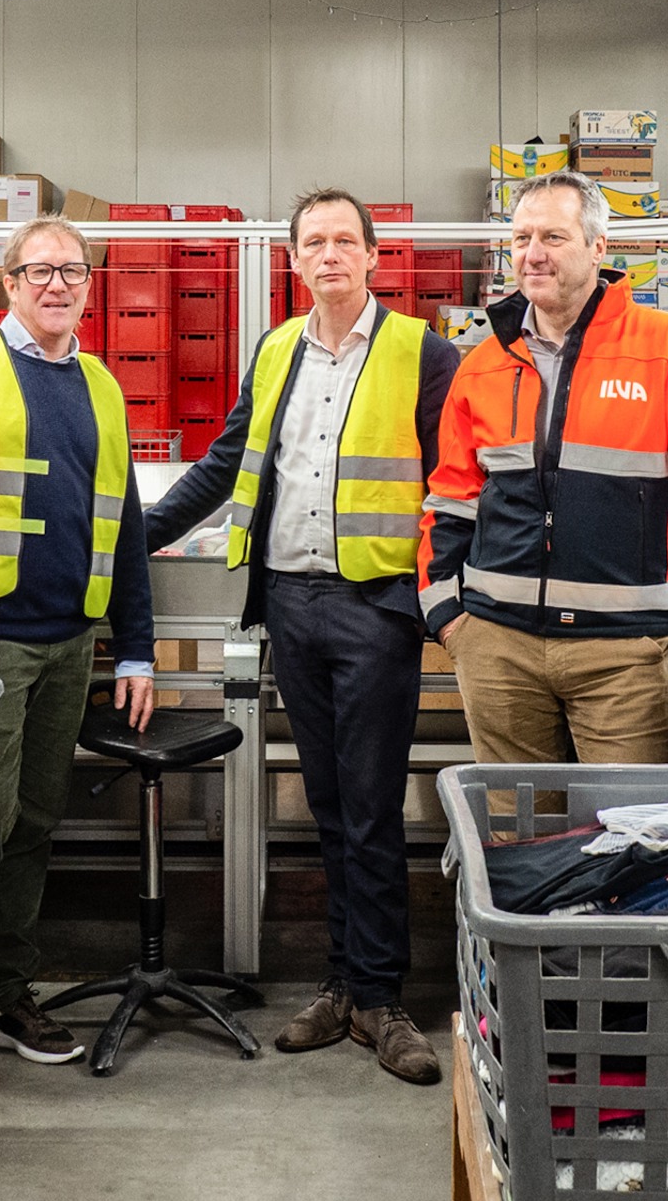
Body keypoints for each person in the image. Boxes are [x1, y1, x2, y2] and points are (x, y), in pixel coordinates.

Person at [147, 188, 458, 1086]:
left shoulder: (422, 352)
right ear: (293, 259)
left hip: (376, 605)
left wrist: (440, 594)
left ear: (372, 256)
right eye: (312, 242)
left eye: (344, 241)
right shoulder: (278, 348)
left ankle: (383, 996)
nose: (328, 255)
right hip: (289, 601)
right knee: (327, 806)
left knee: (371, 808)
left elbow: (457, 478)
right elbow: (227, 460)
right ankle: (340, 985)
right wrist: (139, 536)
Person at [420, 170, 668, 765]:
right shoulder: (484, 363)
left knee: (633, 834)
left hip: (621, 654)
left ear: (598, 247)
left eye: (552, 237)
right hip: (496, 646)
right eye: (521, 237)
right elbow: (452, 496)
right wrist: (445, 612)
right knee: (514, 836)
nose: (532, 254)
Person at [0, 214, 156, 1068]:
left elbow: (122, 521)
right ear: (8, 282)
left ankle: (7, 991)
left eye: (72, 271)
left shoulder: (101, 384)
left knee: (35, 821)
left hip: (72, 641)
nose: (57, 285)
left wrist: (135, 645)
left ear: (90, 286)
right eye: (39, 270)